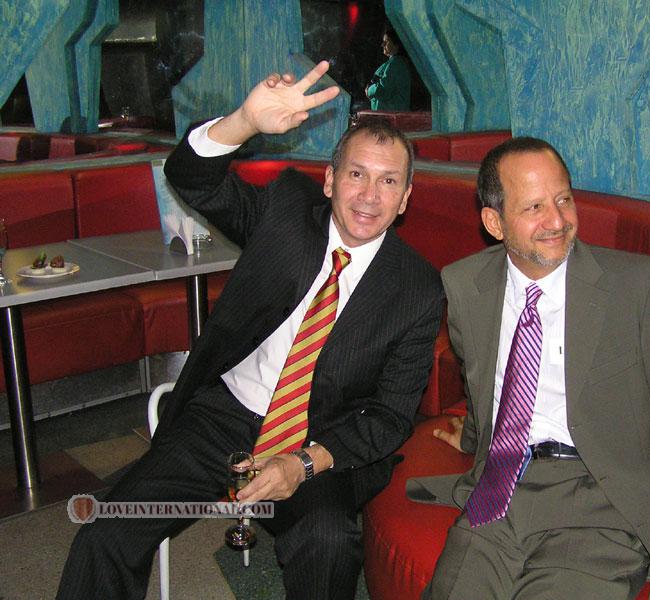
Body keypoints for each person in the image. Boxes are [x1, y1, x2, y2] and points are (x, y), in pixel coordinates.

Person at [57, 61, 443, 600]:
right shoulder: (284, 213)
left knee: (329, 543)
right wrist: (243, 121)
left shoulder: (417, 289)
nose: (369, 195)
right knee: (108, 531)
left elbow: (391, 415)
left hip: (321, 439)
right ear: (329, 180)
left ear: (405, 198)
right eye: (356, 174)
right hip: (224, 416)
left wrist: (303, 463)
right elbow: (191, 177)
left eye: (388, 181)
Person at [411, 137, 650, 599]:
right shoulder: (465, 284)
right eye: (534, 207)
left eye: (563, 199)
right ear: (494, 223)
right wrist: (475, 435)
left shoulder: (639, 288)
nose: (557, 221)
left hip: (601, 501)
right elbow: (485, 380)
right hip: (500, 490)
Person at [365, 28, 411, 111]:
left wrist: (369, 90)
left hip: (390, 116)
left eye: (386, 41)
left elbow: (383, 90)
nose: (382, 44)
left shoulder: (396, 64)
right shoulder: (395, 63)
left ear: (397, 44)